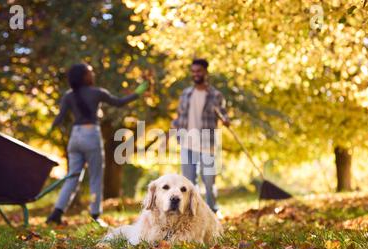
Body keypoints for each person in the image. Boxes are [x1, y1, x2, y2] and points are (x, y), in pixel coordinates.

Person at [46, 63, 148, 225]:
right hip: (90, 135)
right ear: (84, 77)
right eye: (90, 72)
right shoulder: (97, 93)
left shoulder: (68, 96)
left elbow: (59, 118)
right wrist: (137, 93)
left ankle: (56, 214)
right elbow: (119, 102)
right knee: (95, 177)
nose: (93, 75)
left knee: (72, 177)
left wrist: (50, 130)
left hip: (75, 137)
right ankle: (95, 216)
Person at [171, 58, 230, 214]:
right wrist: (175, 123)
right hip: (187, 142)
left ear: (205, 72)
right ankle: (193, 211)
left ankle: (213, 211)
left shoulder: (215, 95)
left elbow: (223, 114)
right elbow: (180, 115)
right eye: (193, 71)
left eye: (199, 71)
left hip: (206, 143)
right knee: (189, 182)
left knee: (209, 181)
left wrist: (226, 120)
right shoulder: (186, 94)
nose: (196, 74)